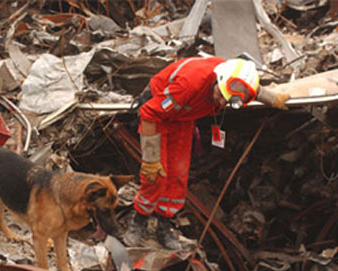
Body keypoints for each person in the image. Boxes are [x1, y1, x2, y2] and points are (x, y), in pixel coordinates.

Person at [124, 56, 290, 250]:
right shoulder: (189, 84)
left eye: (225, 101)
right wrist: (150, 159)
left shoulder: (235, 82)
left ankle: (164, 224)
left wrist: (272, 98)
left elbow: (252, 89)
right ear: (217, 80)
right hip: (158, 114)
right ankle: (139, 220)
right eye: (220, 95)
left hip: (183, 117)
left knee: (178, 174)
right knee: (156, 175)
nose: (220, 102)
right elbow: (149, 113)